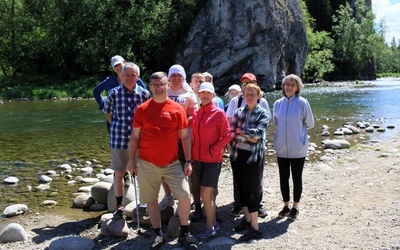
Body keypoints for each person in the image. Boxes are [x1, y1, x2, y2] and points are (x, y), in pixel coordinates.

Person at [126, 72, 197, 250]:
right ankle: (158, 233)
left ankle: (184, 233)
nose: (158, 87)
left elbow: (185, 137)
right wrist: (130, 161)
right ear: (150, 87)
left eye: (161, 84)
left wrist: (188, 161)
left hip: (172, 163)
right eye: (155, 84)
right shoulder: (142, 109)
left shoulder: (176, 109)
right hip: (146, 163)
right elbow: (134, 137)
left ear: (167, 85)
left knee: (185, 196)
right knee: (151, 201)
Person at [103, 62, 151, 219]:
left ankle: (144, 203)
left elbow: (148, 117)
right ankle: (119, 205)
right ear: (122, 76)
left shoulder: (144, 94)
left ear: (137, 76)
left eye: (133, 75)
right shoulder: (113, 93)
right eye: (127, 75)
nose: (130, 78)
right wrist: (118, 126)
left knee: (142, 172)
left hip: (139, 141)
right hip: (119, 139)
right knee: (119, 173)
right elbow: (108, 114)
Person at [225, 73, 270, 218]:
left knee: (256, 179)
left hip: (256, 149)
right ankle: (239, 204)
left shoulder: (262, 102)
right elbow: (230, 124)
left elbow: (261, 130)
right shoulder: (235, 102)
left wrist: (243, 132)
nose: (246, 86)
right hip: (237, 147)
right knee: (238, 178)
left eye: (250, 83)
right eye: (244, 84)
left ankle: (257, 205)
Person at [158, 65, 198, 216]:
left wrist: (178, 126)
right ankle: (168, 197)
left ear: (183, 77)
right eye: (173, 75)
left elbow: (192, 115)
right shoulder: (163, 91)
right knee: (163, 168)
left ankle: (185, 200)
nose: (176, 78)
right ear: (169, 77)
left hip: (183, 138)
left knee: (184, 169)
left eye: (179, 76)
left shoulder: (189, 94)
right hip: (164, 138)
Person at [191, 82, 231, 238]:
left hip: (213, 160)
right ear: (199, 95)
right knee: (208, 195)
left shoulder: (219, 113)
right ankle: (213, 223)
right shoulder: (196, 113)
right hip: (197, 160)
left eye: (209, 93)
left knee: (205, 194)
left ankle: (209, 227)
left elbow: (227, 135)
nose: (205, 95)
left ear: (214, 95)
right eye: (203, 93)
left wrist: (214, 149)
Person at [273, 74, 314, 220]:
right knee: (283, 178)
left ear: (297, 87)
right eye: (287, 84)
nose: (289, 87)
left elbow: (310, 123)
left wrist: (298, 134)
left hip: (298, 148)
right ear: (283, 87)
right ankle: (286, 205)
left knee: (297, 178)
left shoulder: (303, 103)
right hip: (281, 148)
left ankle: (295, 207)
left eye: (292, 85)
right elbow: (275, 122)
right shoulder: (278, 103)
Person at [93, 55, 147, 133]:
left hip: (134, 116)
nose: (118, 68)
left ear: (124, 63)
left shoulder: (134, 77)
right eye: (115, 66)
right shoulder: (109, 81)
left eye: (119, 64)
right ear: (113, 68)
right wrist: (103, 105)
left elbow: (145, 94)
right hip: (114, 116)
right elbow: (96, 91)